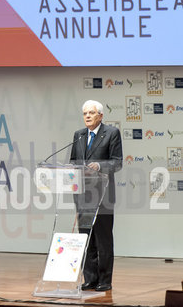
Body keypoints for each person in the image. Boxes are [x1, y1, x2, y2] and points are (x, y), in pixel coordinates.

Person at [70, 100, 123, 292]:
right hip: (83, 195)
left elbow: (117, 163)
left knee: (103, 240)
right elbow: (73, 163)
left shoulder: (111, 133)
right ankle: (90, 279)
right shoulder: (78, 135)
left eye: (91, 113)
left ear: (100, 115)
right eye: (85, 113)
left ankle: (104, 281)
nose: (87, 116)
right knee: (86, 239)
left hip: (103, 196)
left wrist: (100, 166)